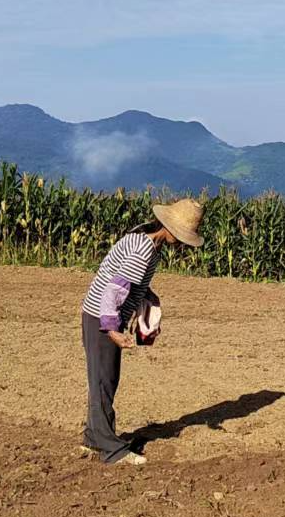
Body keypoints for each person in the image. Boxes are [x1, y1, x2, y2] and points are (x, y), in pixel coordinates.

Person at [80, 199, 204, 465]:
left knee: (104, 379)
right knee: (104, 379)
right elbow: (114, 290)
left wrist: (147, 299)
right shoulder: (144, 251)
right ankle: (110, 449)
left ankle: (94, 436)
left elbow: (129, 283)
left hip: (95, 313)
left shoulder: (144, 242)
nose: (183, 244)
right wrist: (112, 330)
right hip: (101, 316)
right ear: (169, 229)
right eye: (182, 237)